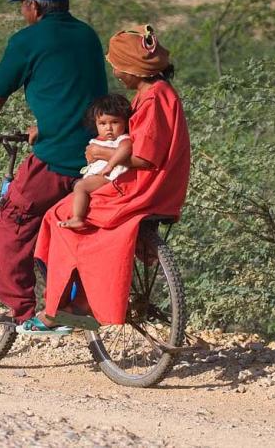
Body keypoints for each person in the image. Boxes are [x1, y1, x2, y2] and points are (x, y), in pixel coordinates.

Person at [0, 0, 108, 332]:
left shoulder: (27, 40)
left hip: (58, 158)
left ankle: (19, 311)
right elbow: (78, 92)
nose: (22, 11)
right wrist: (45, 124)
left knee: (12, 220)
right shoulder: (88, 35)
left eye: (23, 4)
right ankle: (67, 300)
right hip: (99, 155)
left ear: (34, 6)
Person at [34, 24, 191, 329]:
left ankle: (71, 305)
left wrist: (100, 155)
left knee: (58, 216)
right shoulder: (157, 93)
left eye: (119, 68)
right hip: (159, 183)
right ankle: (79, 301)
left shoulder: (153, 99)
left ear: (134, 69)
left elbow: (144, 156)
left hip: (144, 186)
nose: (117, 74)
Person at [58, 94, 133, 230]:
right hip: (100, 177)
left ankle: (77, 218)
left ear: (125, 122)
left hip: (111, 178)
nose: (108, 128)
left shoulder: (122, 139)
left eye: (115, 122)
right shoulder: (97, 141)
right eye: (103, 123)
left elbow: (126, 149)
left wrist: (111, 164)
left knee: (81, 186)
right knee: (76, 188)